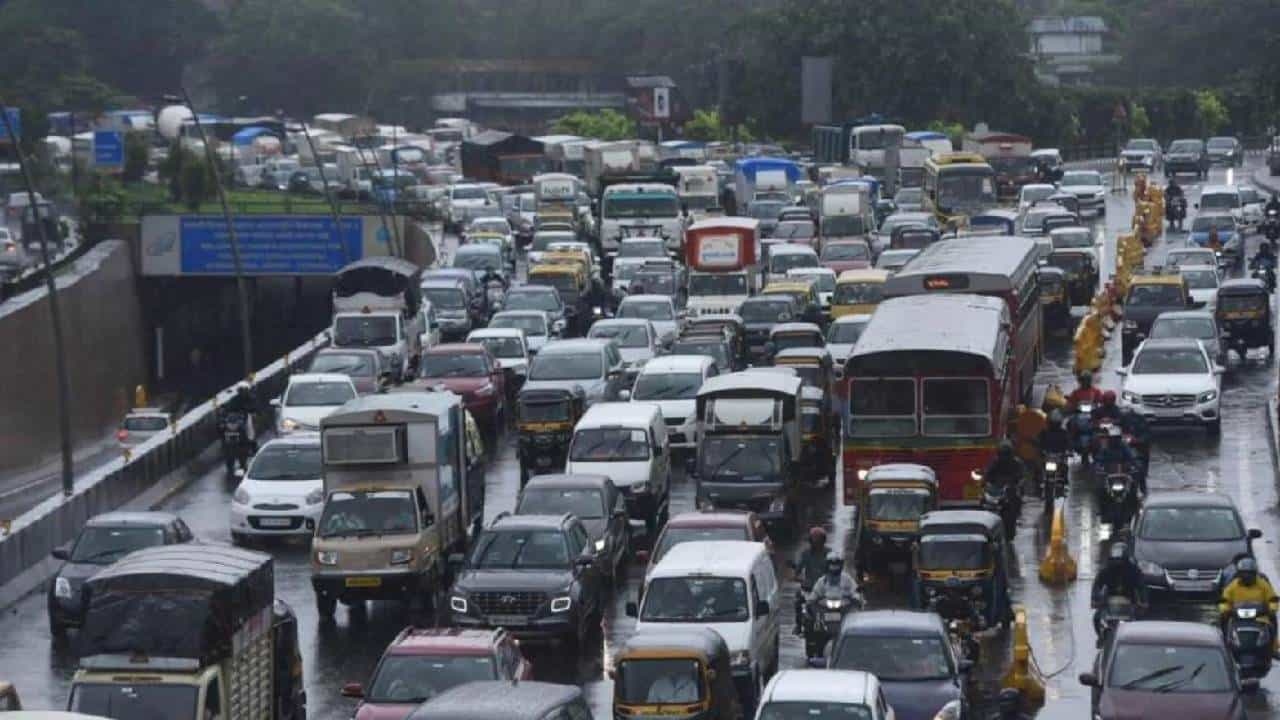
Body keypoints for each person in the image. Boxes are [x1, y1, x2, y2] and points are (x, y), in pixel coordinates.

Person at [1219, 557, 1280, 650]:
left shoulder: (1262, 584)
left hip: (1260, 617)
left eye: (1250, 574)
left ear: (1255, 574)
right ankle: (1224, 643)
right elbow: (1224, 600)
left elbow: (1272, 598)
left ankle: (1273, 645)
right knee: (1223, 619)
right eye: (1244, 574)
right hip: (1237, 617)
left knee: (1272, 621)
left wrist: (1272, 609)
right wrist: (1225, 609)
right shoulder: (1232, 586)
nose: (1247, 577)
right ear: (1239, 574)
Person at [793, 527, 829, 634]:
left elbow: (836, 569)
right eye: (813, 540)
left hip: (825, 589)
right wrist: (797, 576)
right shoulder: (806, 554)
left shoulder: (830, 554)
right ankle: (798, 625)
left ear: (823, 541)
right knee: (797, 600)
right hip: (809, 588)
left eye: (818, 541)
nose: (816, 543)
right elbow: (798, 569)